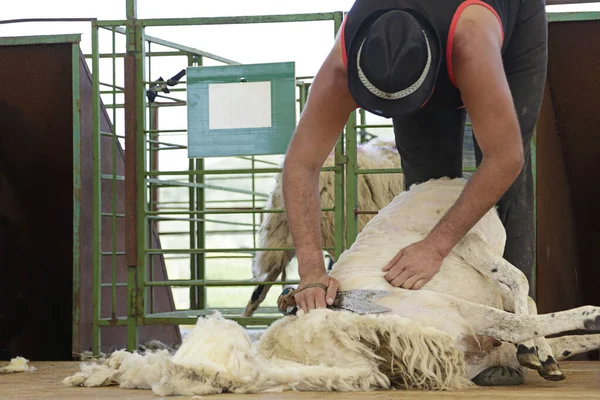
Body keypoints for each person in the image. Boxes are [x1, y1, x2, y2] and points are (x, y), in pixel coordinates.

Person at [281, 0, 548, 385]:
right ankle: (430, 332)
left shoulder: (470, 41)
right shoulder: (343, 64)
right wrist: (310, 271)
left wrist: (436, 245)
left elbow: (505, 159)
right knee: (427, 180)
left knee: (509, 172)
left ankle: (514, 335)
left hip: (501, 21)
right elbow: (300, 165)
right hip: (424, 55)